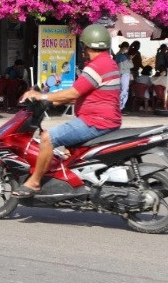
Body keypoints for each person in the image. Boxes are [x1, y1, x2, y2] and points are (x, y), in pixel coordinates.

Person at [13, 24, 122, 198]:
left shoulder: (96, 66)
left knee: (47, 138)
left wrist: (42, 97)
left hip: (95, 121)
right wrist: (54, 100)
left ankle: (34, 182)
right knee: (66, 151)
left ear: (85, 45)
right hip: (106, 119)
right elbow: (85, 93)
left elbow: (73, 92)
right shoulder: (109, 63)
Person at [114, 41, 132, 112]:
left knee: (119, 90)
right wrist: (130, 59)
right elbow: (130, 65)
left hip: (118, 74)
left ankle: (119, 106)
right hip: (124, 74)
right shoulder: (123, 56)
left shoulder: (117, 55)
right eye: (127, 48)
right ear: (125, 47)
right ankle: (121, 106)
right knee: (124, 90)